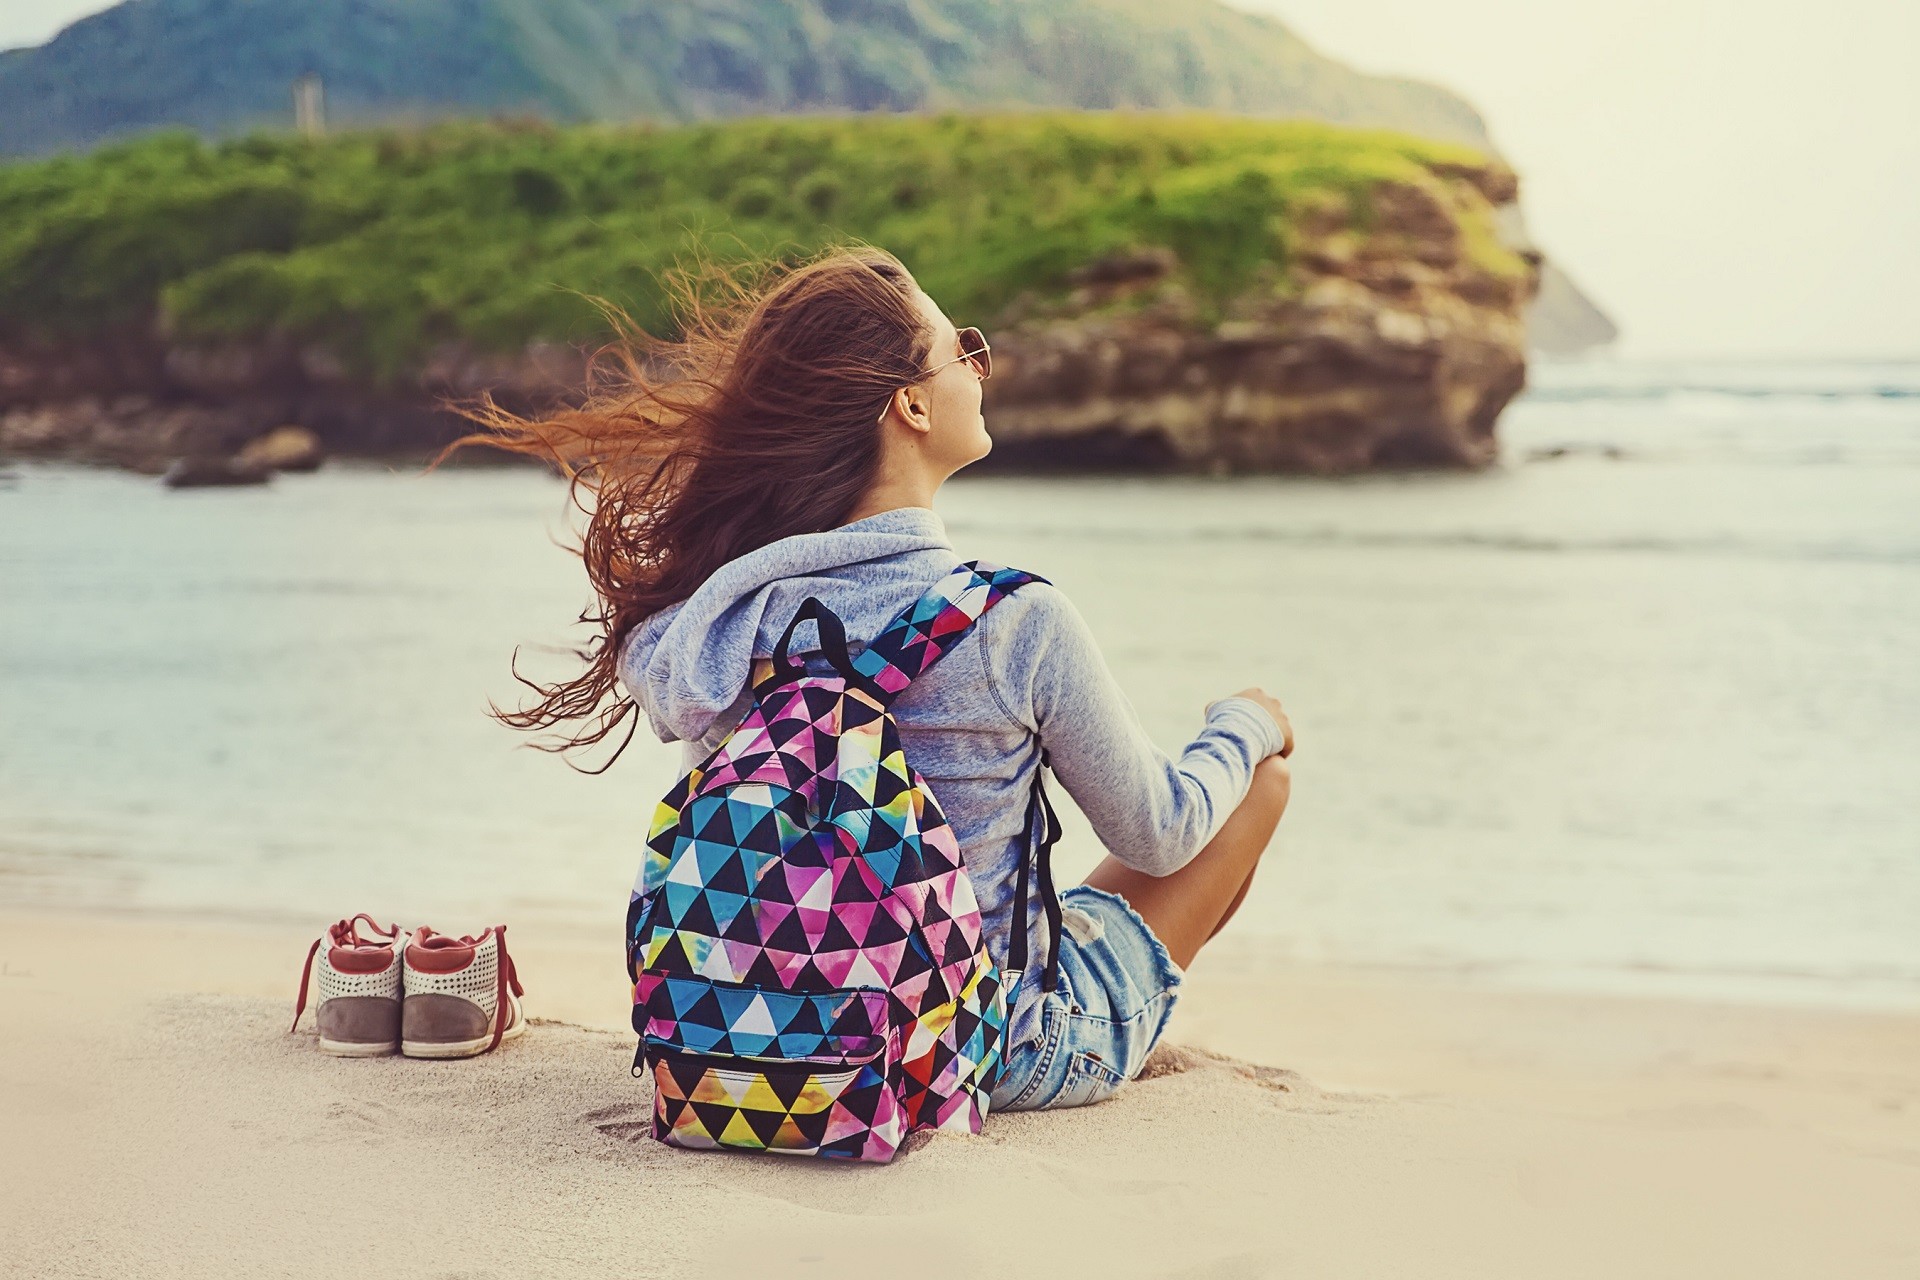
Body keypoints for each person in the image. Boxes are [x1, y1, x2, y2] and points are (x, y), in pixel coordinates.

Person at [455, 246, 1293, 1113]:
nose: (979, 364)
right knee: (1259, 786)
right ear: (913, 406)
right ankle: (1128, 1018)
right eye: (960, 346)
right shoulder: (1013, 619)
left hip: (748, 1036)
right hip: (976, 1051)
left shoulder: (727, 618)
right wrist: (1245, 723)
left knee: (1080, 902)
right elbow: (1161, 832)